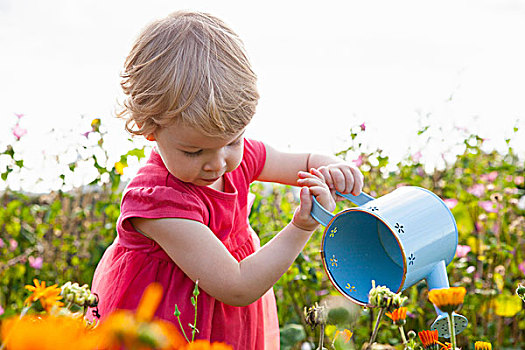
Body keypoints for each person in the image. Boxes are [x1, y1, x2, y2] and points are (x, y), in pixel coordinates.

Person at [89, 10, 364, 350]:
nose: (217, 164)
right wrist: (301, 227)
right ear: (150, 128)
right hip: (166, 326)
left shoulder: (234, 156)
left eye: (233, 141)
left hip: (224, 322)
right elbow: (236, 286)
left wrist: (333, 167)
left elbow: (304, 163)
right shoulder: (158, 201)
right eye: (194, 151)